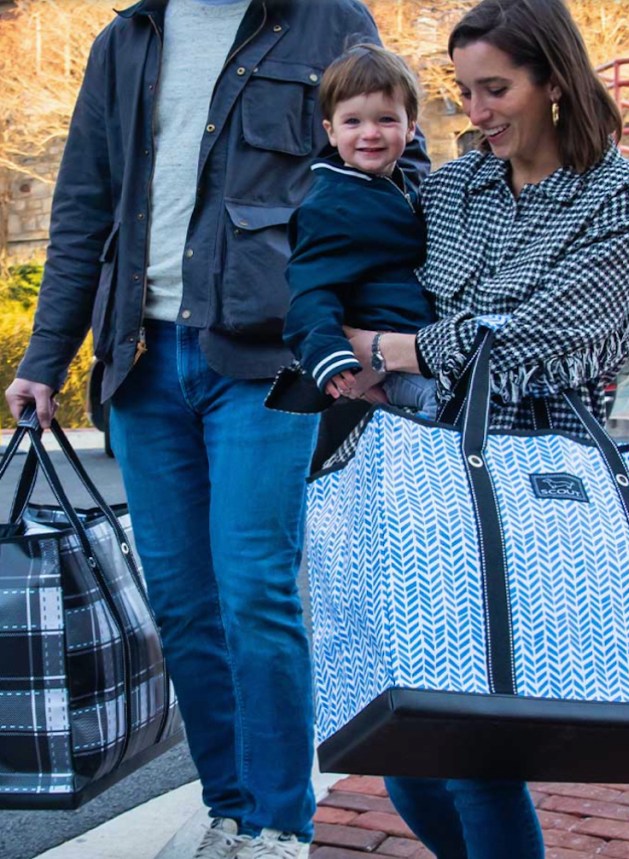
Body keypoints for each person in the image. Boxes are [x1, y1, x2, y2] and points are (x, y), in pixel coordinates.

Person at [4, 1, 428, 857]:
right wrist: (46, 358)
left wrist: (378, 334)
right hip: (138, 358)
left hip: (268, 358)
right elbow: (83, 205)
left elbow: (398, 174)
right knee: (184, 607)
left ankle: (280, 823)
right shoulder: (126, 39)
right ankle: (229, 809)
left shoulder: (326, 18)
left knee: (254, 590)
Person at [339, 0, 629, 855]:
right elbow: (364, 263)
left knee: (475, 743)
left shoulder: (619, 195)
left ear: (554, 81)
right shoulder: (451, 186)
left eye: (496, 89)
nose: (475, 114)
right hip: (425, 470)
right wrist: (350, 340)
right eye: (464, 92)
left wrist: (390, 346)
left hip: (537, 480)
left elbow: (547, 342)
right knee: (404, 739)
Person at [284, 44, 437, 419]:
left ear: (410, 127)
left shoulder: (400, 189)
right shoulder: (332, 204)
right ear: (331, 131)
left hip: (416, 345)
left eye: (386, 119)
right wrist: (326, 352)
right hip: (384, 358)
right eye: (353, 122)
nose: (370, 133)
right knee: (449, 401)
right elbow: (311, 289)